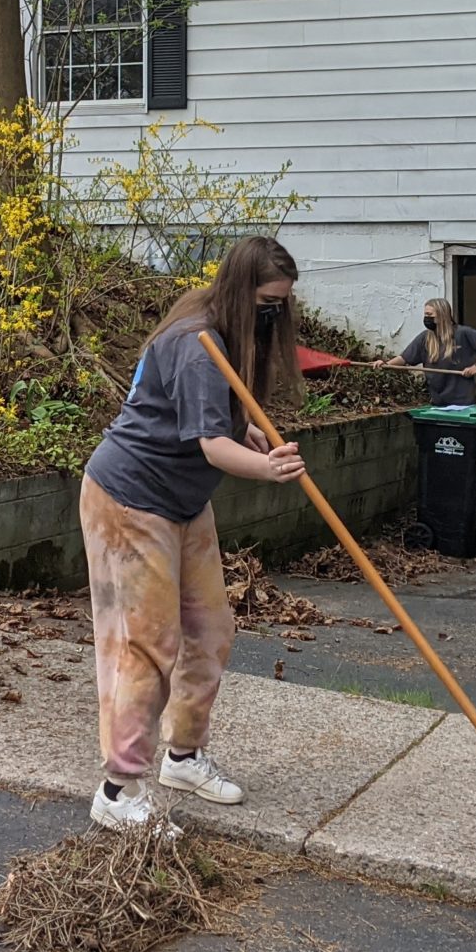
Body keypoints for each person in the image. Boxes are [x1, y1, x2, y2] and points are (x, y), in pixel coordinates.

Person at [78, 236, 310, 832]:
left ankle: (182, 757)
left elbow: (208, 422)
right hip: (130, 500)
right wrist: (267, 468)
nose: (275, 315)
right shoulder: (196, 341)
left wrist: (243, 431)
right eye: (268, 304)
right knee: (146, 643)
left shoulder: (222, 325)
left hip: (184, 500)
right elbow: (210, 445)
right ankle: (118, 789)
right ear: (240, 290)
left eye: (282, 304)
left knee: (209, 629)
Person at [384, 297, 476, 406]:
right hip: (437, 402)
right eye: (425, 315)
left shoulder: (463, 333)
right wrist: (386, 364)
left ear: (442, 315)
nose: (426, 318)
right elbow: (404, 358)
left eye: (430, 315)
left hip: (463, 403)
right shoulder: (425, 338)